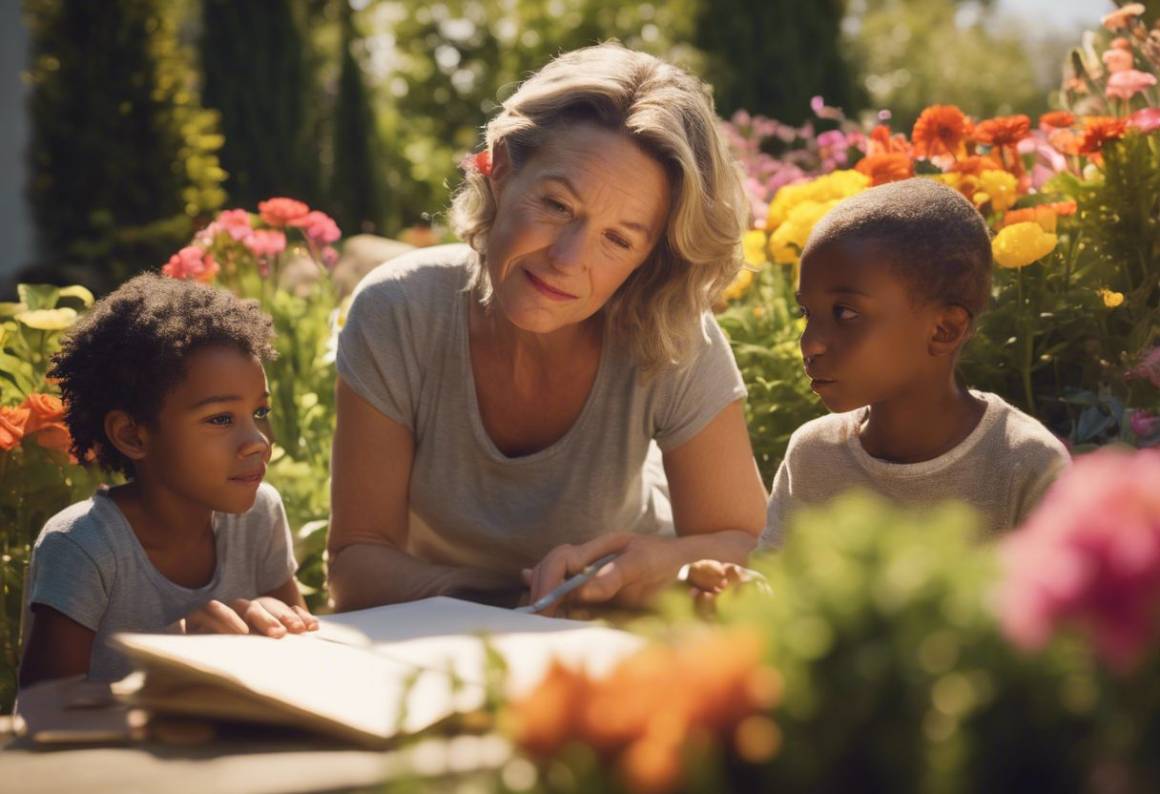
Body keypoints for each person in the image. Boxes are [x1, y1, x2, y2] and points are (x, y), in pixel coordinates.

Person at [327, 43, 767, 616]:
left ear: (648, 256)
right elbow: (357, 564)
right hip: (446, 630)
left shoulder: (675, 337)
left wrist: (659, 567)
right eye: (558, 205)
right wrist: (507, 600)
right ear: (504, 167)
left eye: (618, 239)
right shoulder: (400, 311)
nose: (567, 258)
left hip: (618, 627)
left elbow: (748, 544)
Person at [19, 274, 317, 688]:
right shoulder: (82, 547)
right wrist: (171, 657)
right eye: (221, 419)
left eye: (260, 414)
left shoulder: (259, 514)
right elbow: (42, 714)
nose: (257, 442)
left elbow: (307, 663)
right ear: (132, 435)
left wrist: (279, 625)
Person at [760, 178, 1071, 549]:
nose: (810, 343)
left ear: (944, 329)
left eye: (844, 312)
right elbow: (775, 593)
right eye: (807, 312)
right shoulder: (813, 455)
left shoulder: (1026, 465)